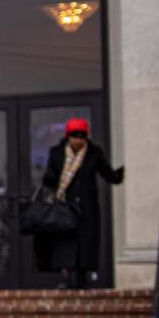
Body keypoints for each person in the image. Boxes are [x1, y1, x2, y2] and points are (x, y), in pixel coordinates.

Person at [35, 117, 123, 288]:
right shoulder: (56, 152)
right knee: (64, 242)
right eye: (74, 136)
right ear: (68, 136)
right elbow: (50, 176)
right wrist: (49, 179)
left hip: (86, 206)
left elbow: (107, 173)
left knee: (86, 242)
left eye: (81, 136)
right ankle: (65, 278)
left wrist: (121, 173)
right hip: (64, 204)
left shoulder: (94, 153)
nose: (78, 140)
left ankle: (83, 277)